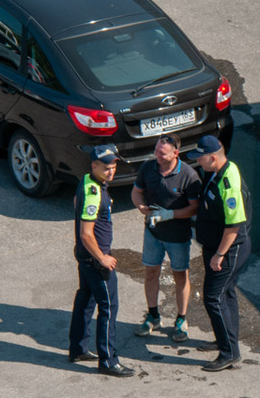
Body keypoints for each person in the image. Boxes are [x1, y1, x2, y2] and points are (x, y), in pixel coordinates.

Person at [68, 144, 134, 377]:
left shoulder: (88, 182)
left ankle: (78, 348)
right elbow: (86, 233)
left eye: (114, 166)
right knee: (108, 307)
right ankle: (108, 361)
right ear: (94, 165)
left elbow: (78, 206)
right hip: (95, 260)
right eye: (106, 168)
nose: (111, 171)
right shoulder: (94, 192)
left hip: (86, 257)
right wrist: (102, 258)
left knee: (85, 300)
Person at [131, 134, 201, 342]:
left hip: (177, 237)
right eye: (156, 151)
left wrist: (171, 214)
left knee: (180, 276)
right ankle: (153, 316)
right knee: (151, 272)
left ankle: (181, 319)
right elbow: (136, 192)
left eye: (161, 153)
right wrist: (143, 209)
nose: (157, 156)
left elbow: (194, 208)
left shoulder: (189, 176)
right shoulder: (148, 168)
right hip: (152, 233)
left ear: (175, 153)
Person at [191, 135, 251, 372]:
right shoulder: (216, 171)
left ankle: (229, 353)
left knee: (213, 298)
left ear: (213, 157)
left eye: (200, 158)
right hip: (214, 244)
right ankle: (225, 339)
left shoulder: (228, 184)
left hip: (228, 249)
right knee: (226, 294)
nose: (198, 162)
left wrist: (219, 254)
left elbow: (234, 226)